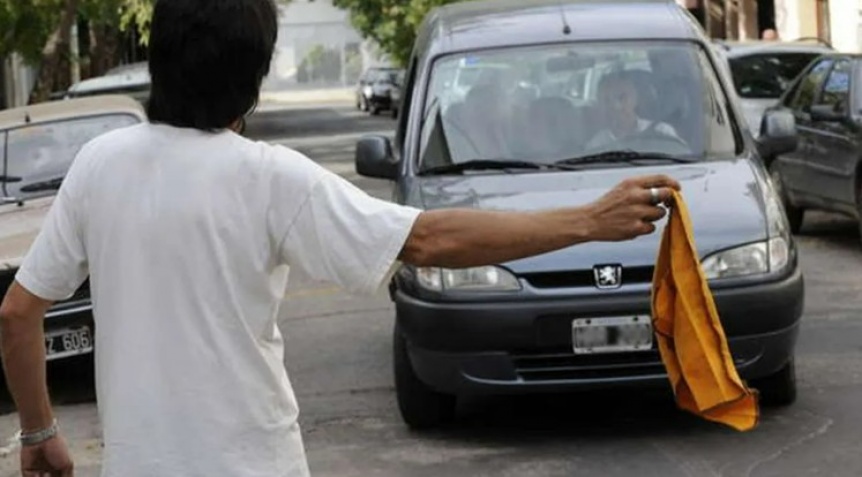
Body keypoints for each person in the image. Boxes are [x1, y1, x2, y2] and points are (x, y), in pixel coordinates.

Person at [0, 0, 680, 475]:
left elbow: (18, 312)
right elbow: (429, 239)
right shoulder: (270, 179)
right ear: (253, 83)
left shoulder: (100, 164)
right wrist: (587, 220)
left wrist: (39, 431)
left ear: (159, 61)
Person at [585, 71, 682, 150]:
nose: (616, 106)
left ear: (635, 99)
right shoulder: (597, 145)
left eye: (622, 97)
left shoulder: (663, 132)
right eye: (607, 100)